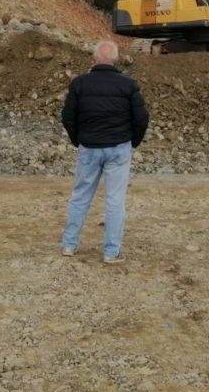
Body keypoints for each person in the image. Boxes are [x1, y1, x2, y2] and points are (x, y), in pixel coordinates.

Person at [59, 39, 149, 263]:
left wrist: (78, 140)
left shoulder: (79, 84)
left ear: (93, 59)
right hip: (118, 148)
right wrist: (132, 142)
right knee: (115, 201)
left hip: (89, 148)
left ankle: (69, 245)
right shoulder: (128, 85)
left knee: (80, 197)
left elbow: (68, 117)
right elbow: (141, 119)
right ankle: (111, 252)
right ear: (116, 60)